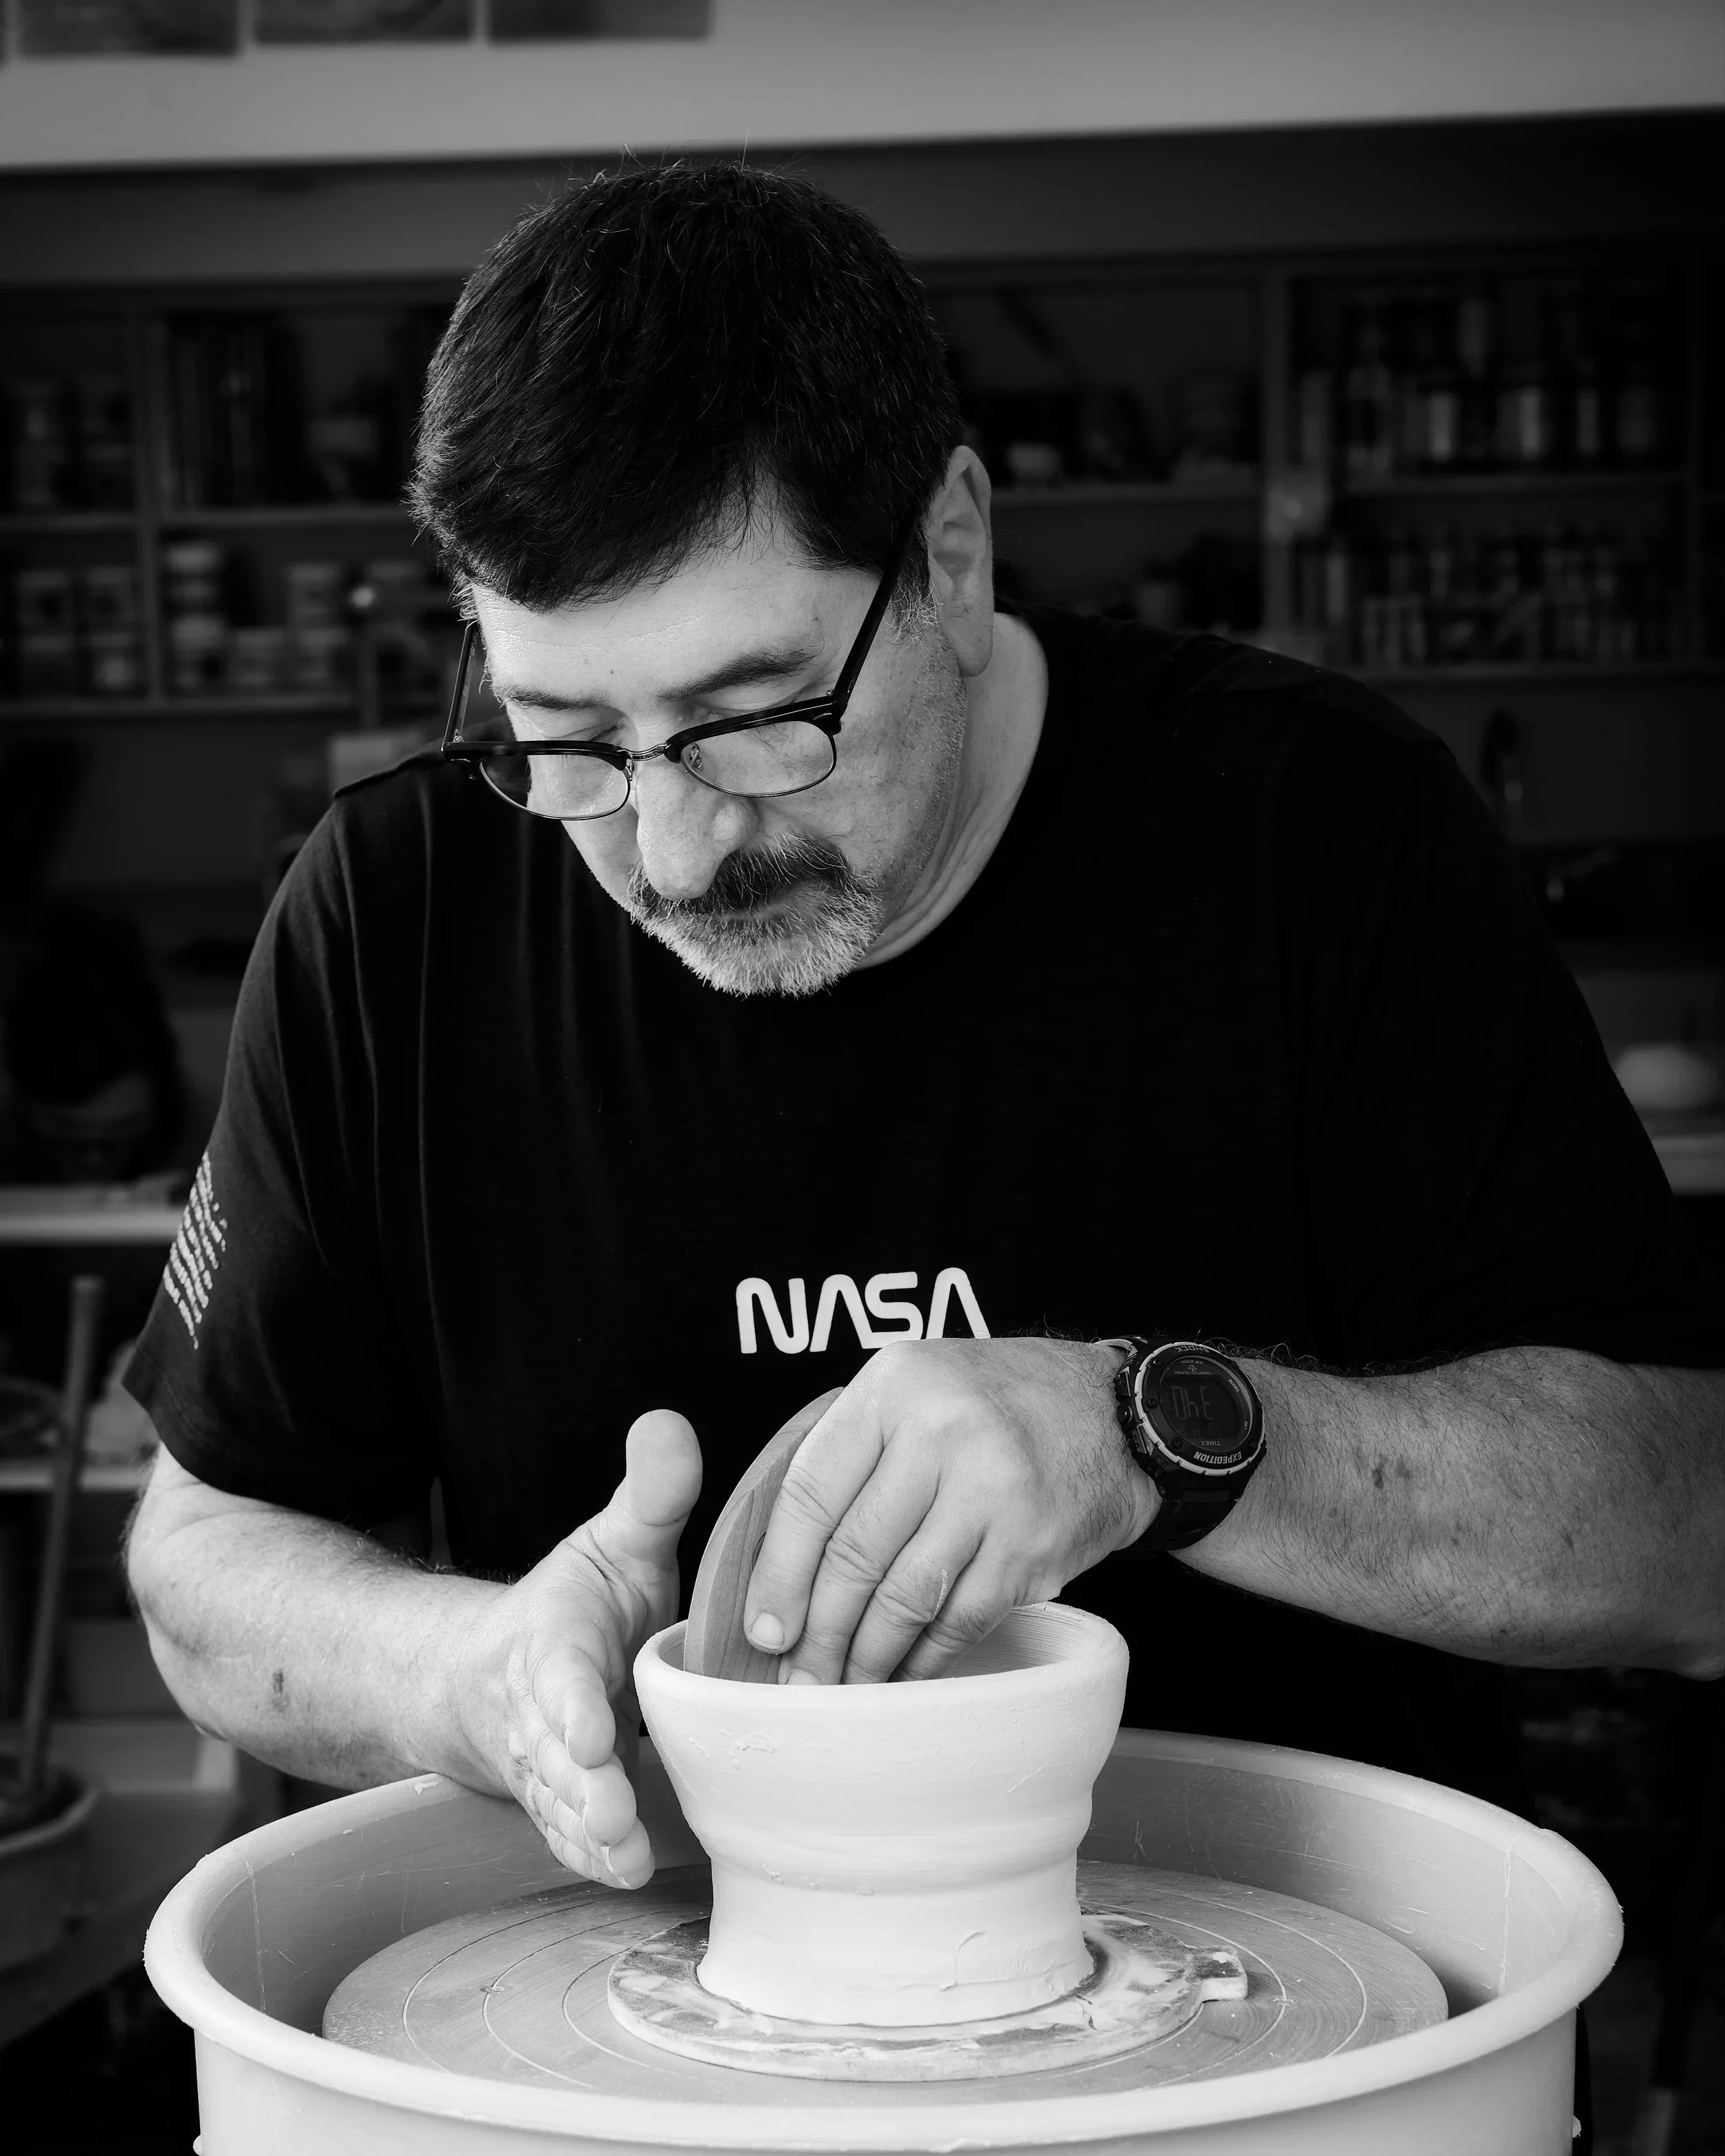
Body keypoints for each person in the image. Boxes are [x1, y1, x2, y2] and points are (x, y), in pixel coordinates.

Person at [124, 166, 1722, 1913]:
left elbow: (1684, 1538)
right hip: (659, 2007)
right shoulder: (392, 911)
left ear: (949, 555)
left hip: (1303, 1984)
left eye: (752, 718)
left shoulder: (1326, 832)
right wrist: (468, 1668)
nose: (672, 857)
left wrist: (1146, 1436)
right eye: (565, 737)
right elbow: (204, 1565)